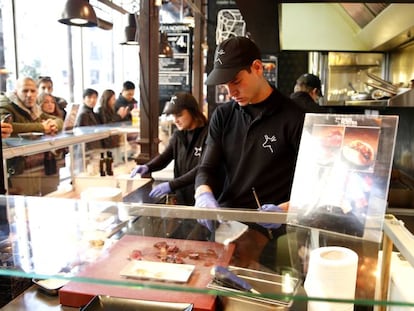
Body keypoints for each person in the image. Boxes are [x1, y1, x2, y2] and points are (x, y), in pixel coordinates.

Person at [195, 36, 305, 268]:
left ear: (257, 68)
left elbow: (314, 182)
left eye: (236, 81)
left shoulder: (293, 117)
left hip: (266, 233)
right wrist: (203, 195)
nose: (230, 91)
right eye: (225, 84)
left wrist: (286, 209)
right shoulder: (223, 116)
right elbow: (207, 167)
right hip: (224, 226)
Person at [131, 92, 208, 206]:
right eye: (173, 116)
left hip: (203, 198)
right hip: (182, 199)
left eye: (179, 115)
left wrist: (171, 185)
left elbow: (202, 168)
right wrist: (148, 167)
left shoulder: (209, 134)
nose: (175, 120)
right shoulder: (178, 135)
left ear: (193, 111)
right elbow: (165, 158)